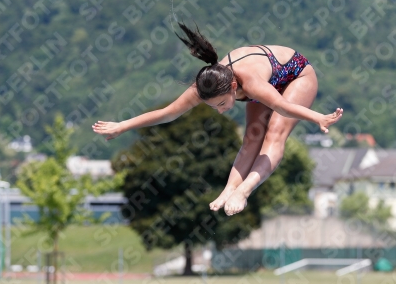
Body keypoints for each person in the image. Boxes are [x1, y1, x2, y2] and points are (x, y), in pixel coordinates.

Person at [92, 23, 343, 216]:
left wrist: (318, 118)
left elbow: (282, 105)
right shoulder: (206, 85)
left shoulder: (252, 83)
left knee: (274, 132)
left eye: (223, 104)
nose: (221, 111)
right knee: (250, 139)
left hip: (296, 75)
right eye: (214, 107)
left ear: (234, 86)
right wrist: (122, 126)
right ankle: (228, 191)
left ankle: (243, 192)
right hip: (266, 84)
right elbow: (167, 113)